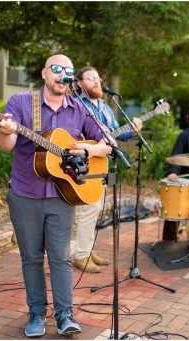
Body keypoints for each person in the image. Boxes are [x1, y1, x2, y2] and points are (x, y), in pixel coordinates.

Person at [0, 54, 112, 337]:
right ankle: (36, 314)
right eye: (57, 70)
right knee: (32, 259)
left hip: (63, 194)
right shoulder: (22, 103)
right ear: (45, 73)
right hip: (25, 194)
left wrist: (87, 151)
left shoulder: (80, 108)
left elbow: (107, 142)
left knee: (59, 258)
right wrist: (2, 130)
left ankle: (65, 315)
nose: (63, 76)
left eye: (68, 72)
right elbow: (5, 145)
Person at [70, 66, 141, 274]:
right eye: (90, 78)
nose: (96, 81)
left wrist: (134, 131)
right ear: (80, 84)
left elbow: (117, 134)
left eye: (97, 78)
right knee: (88, 208)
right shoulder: (76, 104)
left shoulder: (105, 106)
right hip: (83, 160)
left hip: (102, 160)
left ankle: (87, 250)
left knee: (96, 207)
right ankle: (81, 255)